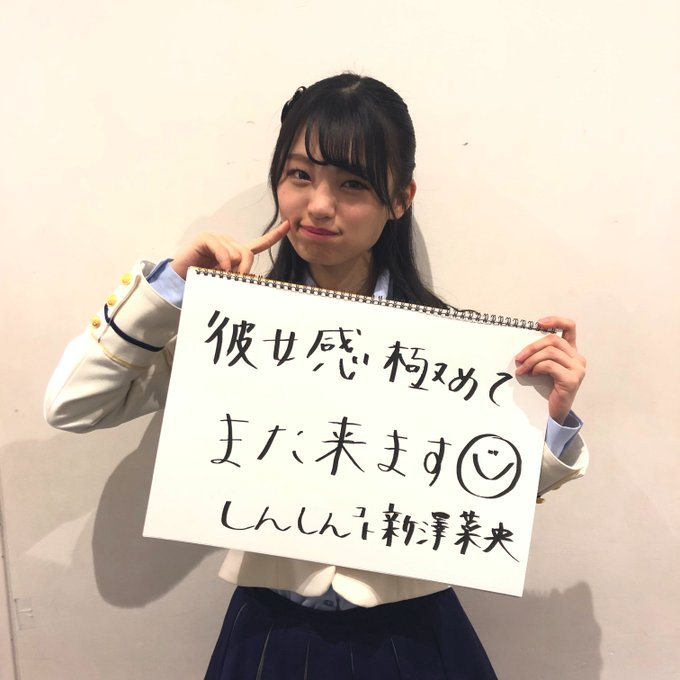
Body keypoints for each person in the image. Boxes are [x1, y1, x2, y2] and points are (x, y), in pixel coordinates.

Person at [45, 73, 588, 679]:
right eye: (300, 175)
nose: (320, 205)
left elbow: (484, 497)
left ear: (400, 197)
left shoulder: (451, 350)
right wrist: (169, 289)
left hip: (413, 634)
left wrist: (553, 421)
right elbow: (72, 406)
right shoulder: (229, 328)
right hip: (271, 633)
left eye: (352, 183)